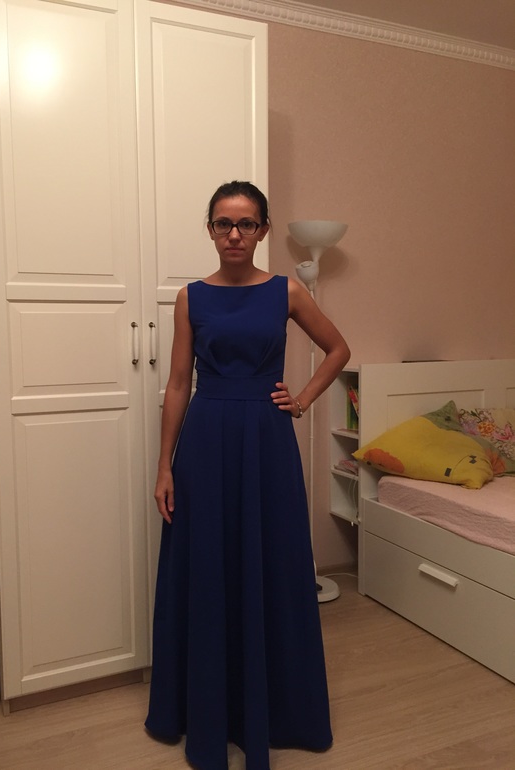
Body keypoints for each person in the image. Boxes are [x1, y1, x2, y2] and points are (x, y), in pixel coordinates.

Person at [145, 180, 350, 770]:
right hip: (205, 441)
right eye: (223, 223)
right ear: (210, 230)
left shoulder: (286, 291)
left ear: (262, 230)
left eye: (246, 224)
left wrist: (301, 399)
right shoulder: (190, 297)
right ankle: (207, 710)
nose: (234, 234)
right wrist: (164, 464)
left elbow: (337, 349)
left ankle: (277, 709)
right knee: (208, 565)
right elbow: (178, 383)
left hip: (266, 439)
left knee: (272, 561)